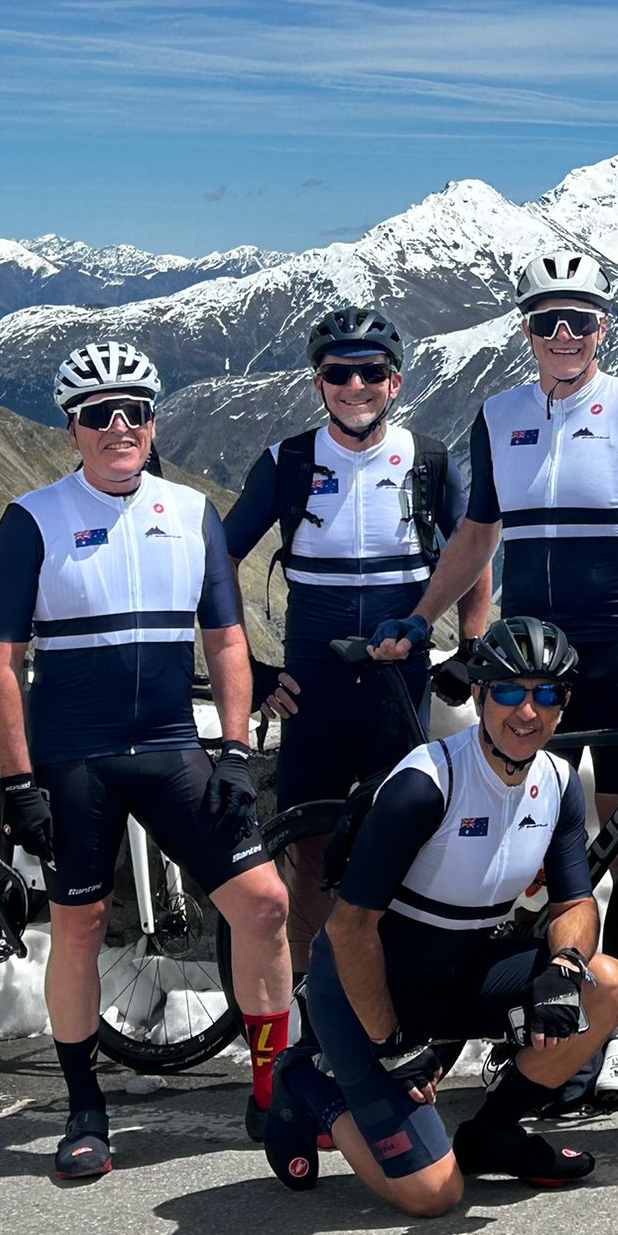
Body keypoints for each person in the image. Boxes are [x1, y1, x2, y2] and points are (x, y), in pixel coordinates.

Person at [366, 250, 618, 1110]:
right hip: (535, 659)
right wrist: (422, 616)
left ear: (604, 327)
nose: (563, 335)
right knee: (520, 837)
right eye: (545, 321)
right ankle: (523, 1006)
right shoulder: (500, 415)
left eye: (580, 320)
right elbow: (476, 536)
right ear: (525, 330)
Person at [0, 340, 292, 1178]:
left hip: (168, 749)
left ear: (153, 423)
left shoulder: (190, 513)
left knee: (264, 906)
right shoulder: (32, 519)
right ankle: (85, 1107)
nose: (119, 427)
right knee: (79, 927)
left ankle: (272, 1091)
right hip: (72, 759)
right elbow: (2, 663)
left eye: (136, 412)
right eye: (99, 415)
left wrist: (234, 749)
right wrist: (18, 781)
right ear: (72, 429)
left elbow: (226, 639)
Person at [260, 616, 618, 1215]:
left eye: (547, 694)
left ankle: (494, 1133)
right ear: (480, 695)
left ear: (564, 704)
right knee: (433, 1195)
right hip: (365, 991)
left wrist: (564, 966)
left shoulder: (559, 782)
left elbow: (575, 903)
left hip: (458, 974)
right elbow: (349, 928)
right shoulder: (427, 783)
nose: (527, 712)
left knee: (606, 982)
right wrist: (391, 1043)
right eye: (508, 691)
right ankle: (308, 1082)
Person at [222, 306, 490, 1002]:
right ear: (319, 383)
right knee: (309, 849)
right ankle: (310, 1003)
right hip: (312, 680)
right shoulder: (287, 462)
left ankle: (389, 997)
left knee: (401, 841)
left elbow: (473, 555)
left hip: (400, 681)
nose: (355, 386)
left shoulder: (430, 460)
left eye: (371, 372)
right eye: (339, 373)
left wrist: (471, 646)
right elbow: (217, 562)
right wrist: (250, 669)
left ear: (395, 381)